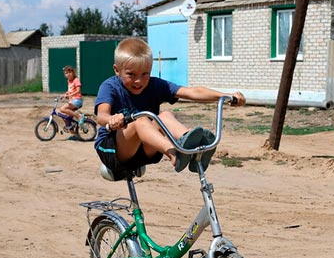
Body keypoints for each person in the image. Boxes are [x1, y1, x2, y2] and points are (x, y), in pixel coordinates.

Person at [94, 37, 245, 175]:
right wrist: (112, 119)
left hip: (147, 149)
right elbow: (101, 115)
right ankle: (176, 153)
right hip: (114, 151)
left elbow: (191, 91)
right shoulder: (110, 87)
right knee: (140, 121)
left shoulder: (154, 85)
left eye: (144, 74)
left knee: (165, 115)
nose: (139, 81)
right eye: (131, 74)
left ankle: (192, 146)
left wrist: (226, 96)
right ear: (117, 70)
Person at [60, 66, 83, 134]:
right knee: (67, 119)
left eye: (70, 72)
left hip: (77, 100)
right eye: (66, 73)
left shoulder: (76, 80)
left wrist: (69, 95)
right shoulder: (69, 81)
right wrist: (64, 95)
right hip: (72, 101)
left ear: (73, 72)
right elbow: (69, 90)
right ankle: (73, 134)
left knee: (62, 109)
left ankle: (79, 116)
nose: (68, 74)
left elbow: (78, 91)